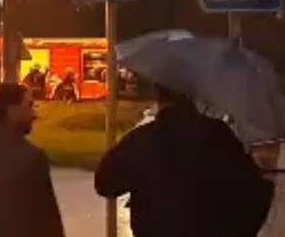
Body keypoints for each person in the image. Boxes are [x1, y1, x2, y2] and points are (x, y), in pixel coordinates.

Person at [95, 83, 274, 237]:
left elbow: (105, 184)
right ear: (192, 95)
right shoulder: (216, 134)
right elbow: (253, 190)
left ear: (159, 97)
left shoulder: (142, 139)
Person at [0, 83, 64, 237]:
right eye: (29, 106)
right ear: (11, 110)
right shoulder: (31, 159)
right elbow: (48, 221)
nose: (34, 114)